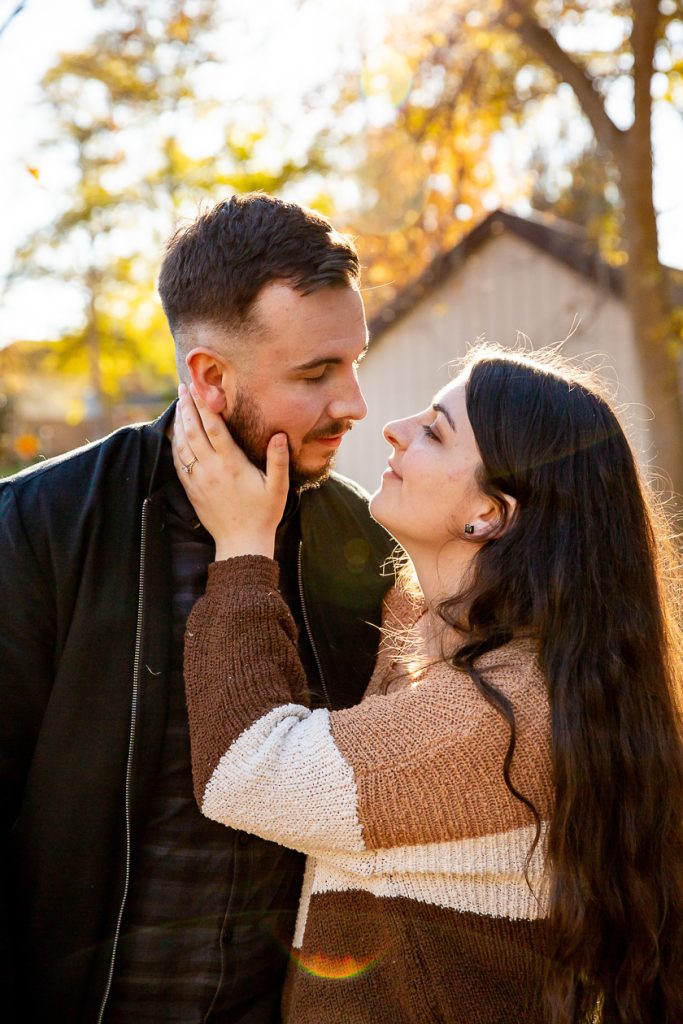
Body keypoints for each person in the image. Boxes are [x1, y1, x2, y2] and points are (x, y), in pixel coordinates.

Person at [174, 344, 683, 1024]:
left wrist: (241, 545)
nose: (394, 427)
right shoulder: (498, 658)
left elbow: (246, 772)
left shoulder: (491, 721)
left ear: (489, 515)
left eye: (435, 431)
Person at [0, 194, 396, 1023]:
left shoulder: (364, 542)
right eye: (316, 373)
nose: (354, 402)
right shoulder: (37, 528)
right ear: (210, 378)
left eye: (355, 361)